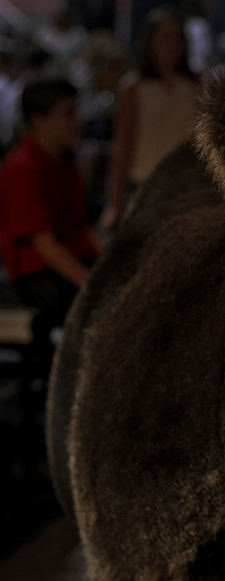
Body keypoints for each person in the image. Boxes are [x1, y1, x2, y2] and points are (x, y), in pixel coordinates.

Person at [0, 79, 101, 368]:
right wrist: (90, 281)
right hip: (37, 272)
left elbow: (81, 227)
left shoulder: (64, 163)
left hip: (65, 260)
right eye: (68, 113)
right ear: (39, 120)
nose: (78, 121)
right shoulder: (23, 167)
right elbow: (44, 245)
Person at [101, 6, 198, 231]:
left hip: (183, 184)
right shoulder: (134, 87)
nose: (172, 45)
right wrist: (114, 202)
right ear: (150, 43)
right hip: (143, 183)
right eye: (164, 38)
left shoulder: (194, 85)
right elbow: (123, 143)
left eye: (177, 38)